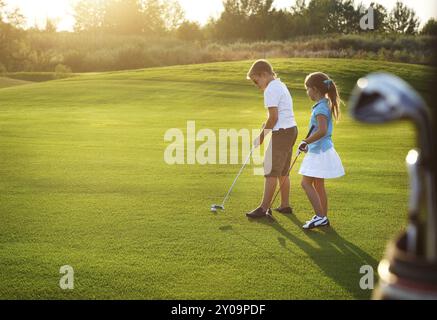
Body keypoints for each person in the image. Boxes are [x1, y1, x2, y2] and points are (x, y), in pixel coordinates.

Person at [245, 59, 298, 219]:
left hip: (282, 133)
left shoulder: (270, 90)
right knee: (283, 171)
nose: (257, 85)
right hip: (291, 130)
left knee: (270, 171)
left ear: (264, 74)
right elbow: (276, 114)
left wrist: (261, 137)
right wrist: (266, 124)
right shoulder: (280, 85)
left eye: (256, 80)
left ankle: (263, 209)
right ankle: (285, 205)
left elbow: (274, 118)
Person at [298, 72, 345, 229]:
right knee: (318, 185)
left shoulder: (320, 108)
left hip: (319, 151)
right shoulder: (324, 104)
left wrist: (305, 141)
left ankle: (320, 217)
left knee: (305, 183)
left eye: (307, 89)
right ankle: (322, 217)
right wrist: (308, 143)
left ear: (315, 89)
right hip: (322, 149)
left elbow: (322, 130)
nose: (307, 92)